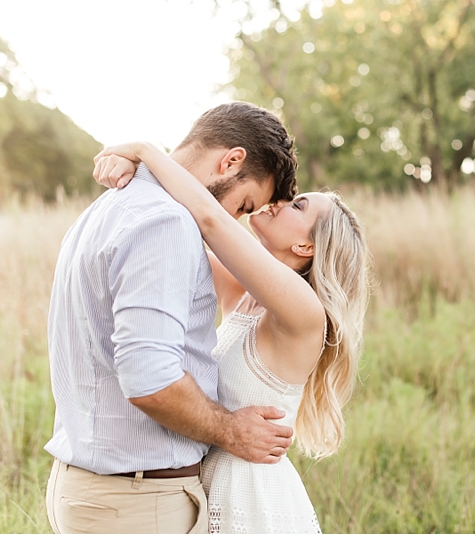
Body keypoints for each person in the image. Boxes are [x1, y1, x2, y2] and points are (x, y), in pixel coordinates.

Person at [44, 102, 299, 534]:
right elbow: (150, 378)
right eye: (244, 204)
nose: (233, 220)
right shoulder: (166, 223)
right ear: (231, 161)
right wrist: (231, 431)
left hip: (96, 490)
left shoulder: (109, 207)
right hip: (137, 505)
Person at [93, 139, 370, 533]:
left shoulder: (304, 313)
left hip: (250, 494)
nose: (280, 201)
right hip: (206, 480)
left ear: (305, 245)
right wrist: (131, 171)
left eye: (298, 205)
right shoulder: (243, 296)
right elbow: (169, 229)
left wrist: (143, 151)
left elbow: (210, 219)